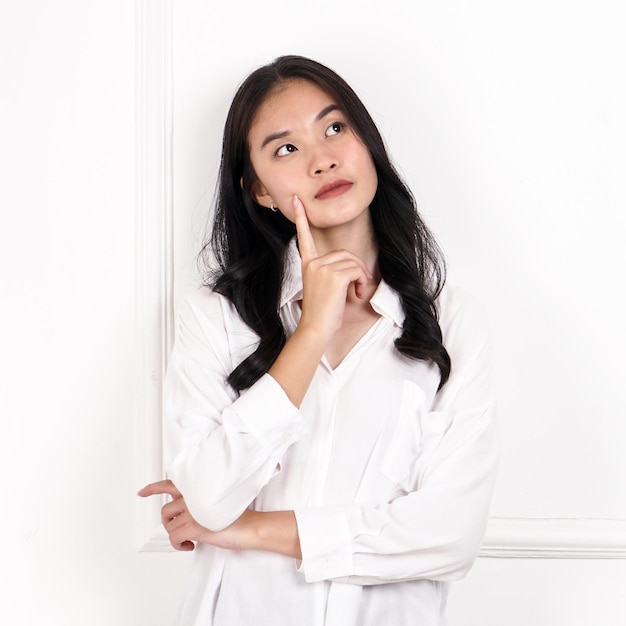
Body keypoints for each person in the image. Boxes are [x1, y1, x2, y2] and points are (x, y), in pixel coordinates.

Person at [138, 55, 498, 626]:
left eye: (335, 128)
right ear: (258, 190)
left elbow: (450, 536)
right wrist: (311, 330)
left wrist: (246, 528)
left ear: (367, 142)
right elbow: (205, 495)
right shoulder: (215, 316)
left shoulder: (449, 322)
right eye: (286, 148)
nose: (322, 158)